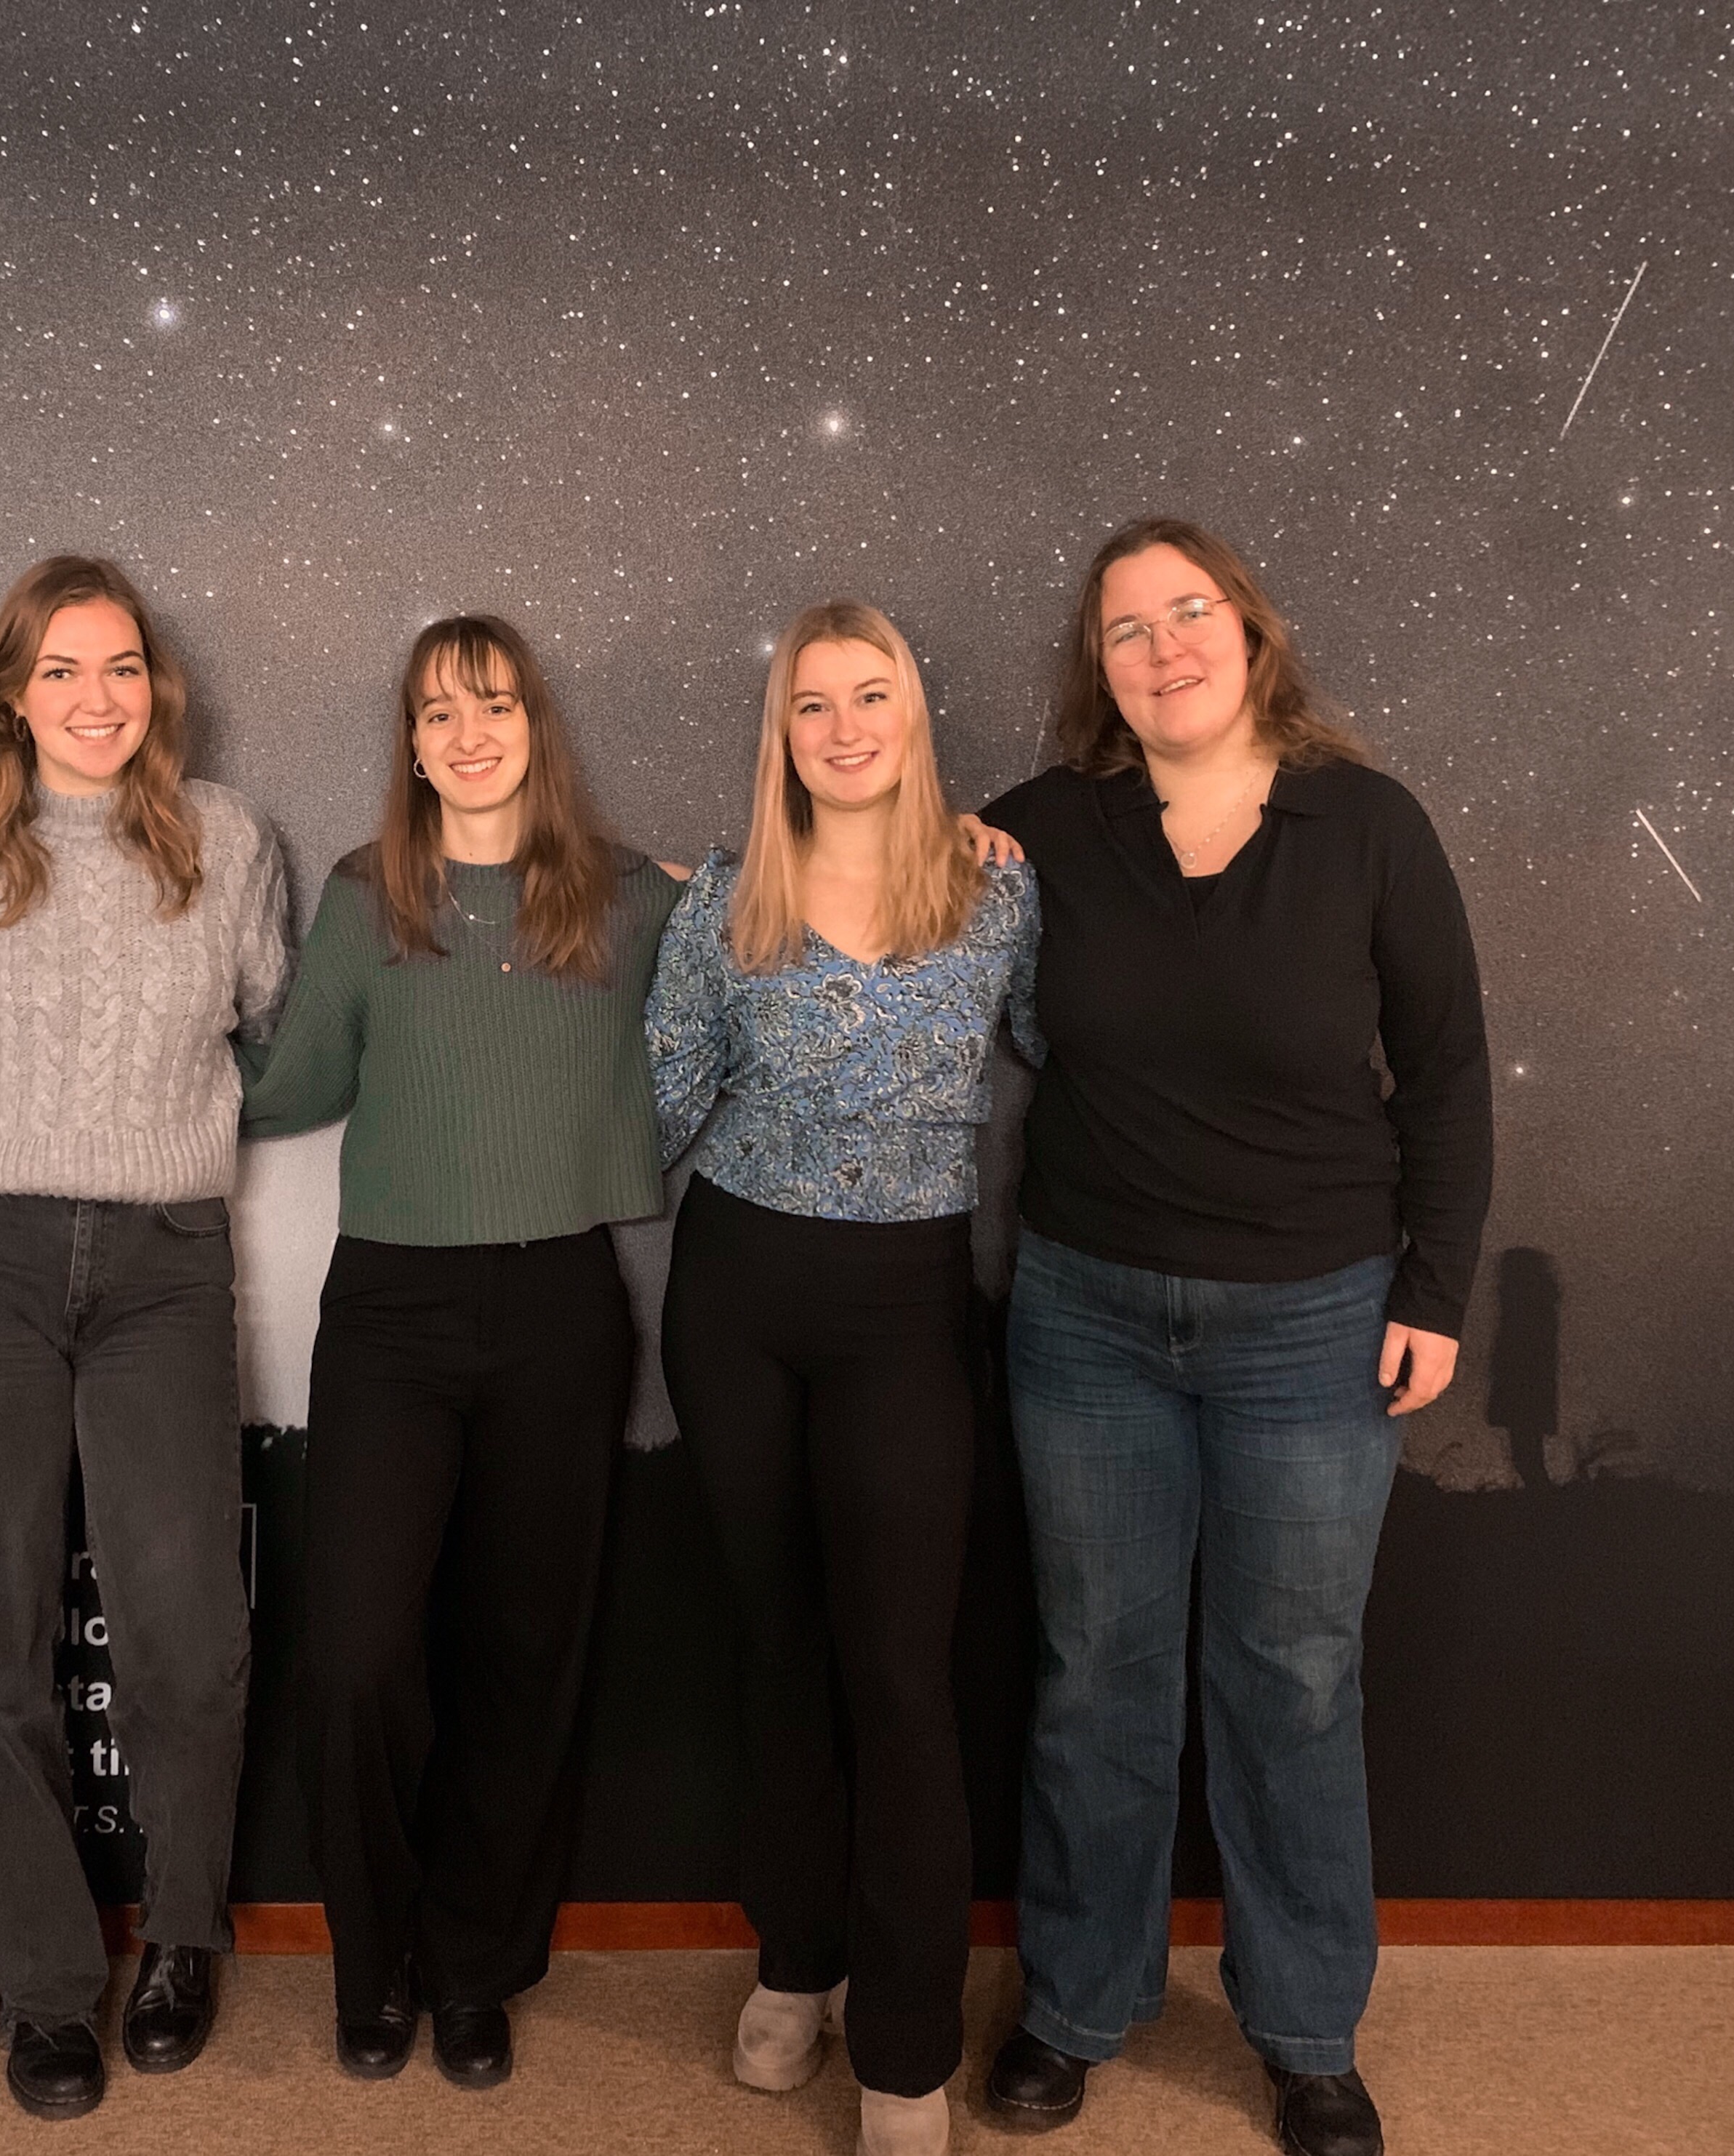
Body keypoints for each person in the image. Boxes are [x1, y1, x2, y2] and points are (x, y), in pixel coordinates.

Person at [978, 519, 1492, 2156]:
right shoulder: (1043, 827)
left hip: (1315, 1322)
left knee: (1291, 1677)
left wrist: (1433, 1287)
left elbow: (1449, 1072)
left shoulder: (1367, 825)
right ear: (1099, 673)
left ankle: (1302, 2029)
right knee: (1093, 1674)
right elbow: (863, 886)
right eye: (1124, 630)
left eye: (1186, 613)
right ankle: (1072, 2003)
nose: (1161, 648)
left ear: (1248, 632)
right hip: (1086, 1318)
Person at [240, 614, 683, 2091]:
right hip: (391, 1313)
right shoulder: (372, 897)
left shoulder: (630, 898)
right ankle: (374, 1967)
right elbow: (281, 1080)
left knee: (521, 1655)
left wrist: (975, 847)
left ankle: (475, 1961)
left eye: (491, 704)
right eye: (436, 712)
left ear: (532, 724)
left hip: (562, 1305)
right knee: (360, 1653)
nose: (466, 733)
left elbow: (792, 948)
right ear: (411, 744)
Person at [0, 556, 289, 2122]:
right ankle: (44, 1990)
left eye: (120, 667)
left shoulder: (230, 840)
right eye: (60, 672)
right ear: (11, 693)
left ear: (153, 687)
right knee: (1, 1641)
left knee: (183, 1629)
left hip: (163, 1266)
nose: (97, 698)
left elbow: (270, 1013)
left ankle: (182, 1937)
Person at [647, 601, 1040, 2156]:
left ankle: (902, 2046)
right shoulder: (724, 897)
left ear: (911, 711)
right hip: (737, 1292)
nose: (843, 726)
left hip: (902, 1305)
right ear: (781, 733)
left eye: (869, 695)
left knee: (899, 1673)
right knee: (779, 1646)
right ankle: (794, 1956)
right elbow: (661, 1097)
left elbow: (1087, 1062)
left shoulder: (996, 894)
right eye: (811, 704)